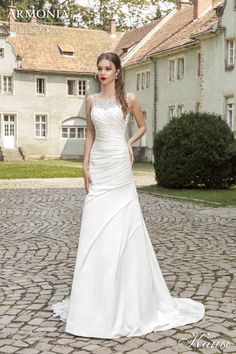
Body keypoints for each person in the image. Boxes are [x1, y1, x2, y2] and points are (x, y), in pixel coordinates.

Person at [51, 51, 205, 339]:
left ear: (118, 71)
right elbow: (90, 136)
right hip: (99, 164)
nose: (102, 72)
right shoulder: (90, 100)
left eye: (107, 68)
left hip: (119, 165)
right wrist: (84, 166)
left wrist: (129, 144)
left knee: (123, 226)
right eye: (99, 68)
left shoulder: (129, 99)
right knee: (95, 226)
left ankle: (126, 297)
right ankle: (93, 300)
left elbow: (143, 126)